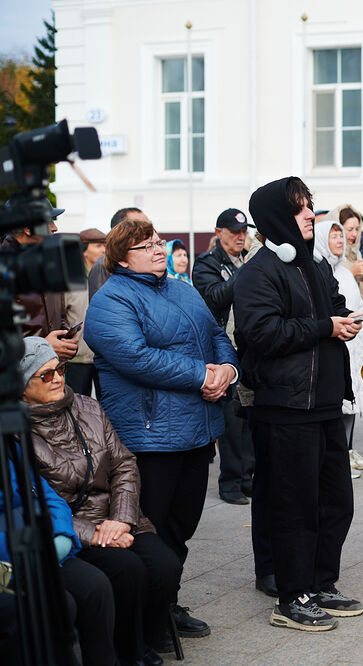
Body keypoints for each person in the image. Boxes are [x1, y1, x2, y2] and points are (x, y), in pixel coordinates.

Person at [84, 217, 238, 639]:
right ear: (121, 258)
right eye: (146, 246)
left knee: (181, 528)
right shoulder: (111, 300)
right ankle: (146, 618)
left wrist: (226, 369)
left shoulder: (183, 289)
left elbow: (216, 335)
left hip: (197, 429)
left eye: (158, 243)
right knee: (149, 529)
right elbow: (135, 357)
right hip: (149, 435)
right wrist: (201, 376)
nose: (157, 250)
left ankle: (167, 604)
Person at [233, 176, 363, 631]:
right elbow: (261, 334)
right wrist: (325, 327)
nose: (311, 214)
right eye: (300, 209)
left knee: (336, 502)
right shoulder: (257, 272)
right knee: (295, 507)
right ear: (275, 218)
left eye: (311, 206)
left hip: (327, 403)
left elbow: (329, 310)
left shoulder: (313, 265)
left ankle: (322, 582)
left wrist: (347, 320)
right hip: (286, 408)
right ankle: (291, 596)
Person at [20, 337, 183, 663]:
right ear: (20, 385)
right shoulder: (14, 430)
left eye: (60, 369)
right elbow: (35, 501)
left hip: (114, 516)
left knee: (166, 566)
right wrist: (93, 533)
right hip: (74, 527)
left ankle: (148, 636)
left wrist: (121, 519)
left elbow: (124, 463)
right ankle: (128, 650)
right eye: (45, 375)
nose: (58, 379)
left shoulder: (86, 406)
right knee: (128, 570)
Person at [0, 448, 117, 666]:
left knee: (95, 586)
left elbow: (49, 497)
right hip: (9, 560)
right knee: (59, 604)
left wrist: (60, 534)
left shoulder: (9, 446)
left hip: (38, 546)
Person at [192, 208, 254, 505]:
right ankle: (230, 483)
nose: (241, 237)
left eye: (244, 232)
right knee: (231, 423)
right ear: (219, 233)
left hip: (249, 347)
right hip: (222, 349)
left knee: (250, 417)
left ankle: (248, 478)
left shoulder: (246, 260)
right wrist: (247, 271)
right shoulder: (206, 264)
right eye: (234, 233)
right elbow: (215, 297)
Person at [314, 220, 363, 472]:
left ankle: (347, 451)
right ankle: (337, 458)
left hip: (354, 343)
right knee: (338, 405)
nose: (341, 240)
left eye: (341, 236)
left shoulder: (343, 270)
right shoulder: (322, 272)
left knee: (351, 403)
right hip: (335, 345)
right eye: (334, 236)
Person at [1, 203, 78, 360]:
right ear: (28, 228)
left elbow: (60, 316)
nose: (54, 227)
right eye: (48, 221)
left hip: (50, 373)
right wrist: (43, 345)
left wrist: (66, 337)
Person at [65, 227, 106, 398]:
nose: (103, 250)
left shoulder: (108, 275)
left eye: (104, 245)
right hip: (77, 358)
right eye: (97, 246)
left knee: (107, 409)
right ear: (84, 250)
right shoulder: (69, 278)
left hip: (104, 356)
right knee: (77, 406)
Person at [89, 208, 150, 299]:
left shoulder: (151, 258)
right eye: (140, 225)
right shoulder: (103, 264)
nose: (148, 229)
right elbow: (101, 305)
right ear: (120, 231)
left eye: (148, 224)